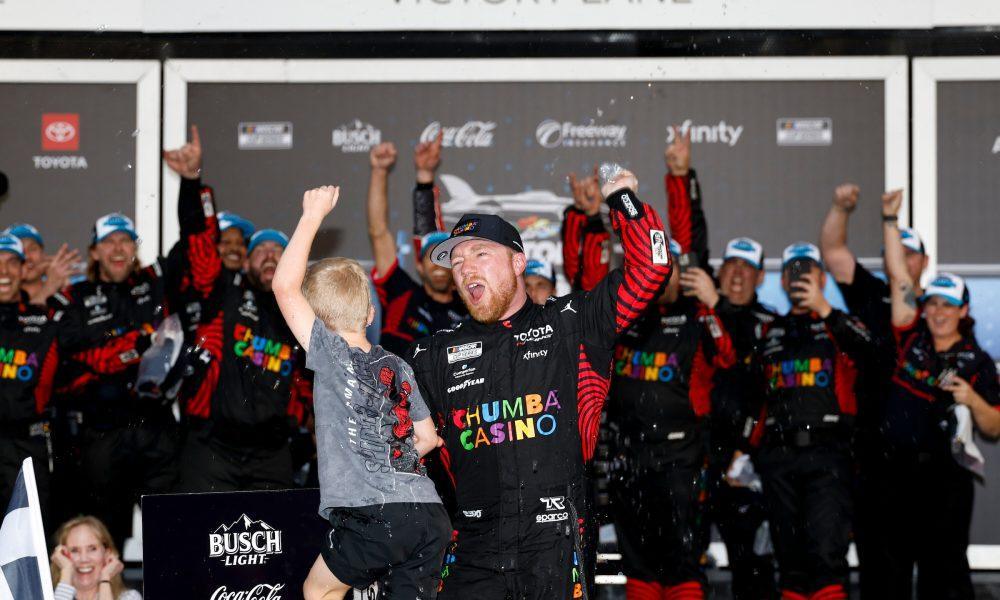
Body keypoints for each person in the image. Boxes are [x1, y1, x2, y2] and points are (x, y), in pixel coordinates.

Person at [408, 167, 672, 600]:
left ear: (517, 262)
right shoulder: (433, 353)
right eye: (456, 262)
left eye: (479, 254)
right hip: (473, 546)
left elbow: (652, 266)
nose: (464, 268)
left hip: (555, 543)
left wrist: (622, 197)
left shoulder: (572, 322)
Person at [274, 184, 450, 600]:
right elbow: (427, 439)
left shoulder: (330, 353)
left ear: (315, 320)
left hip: (376, 514)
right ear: (371, 314)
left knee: (318, 591)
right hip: (429, 513)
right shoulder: (399, 365)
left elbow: (284, 287)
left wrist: (312, 216)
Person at [872, 189, 1000, 599]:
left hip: (945, 478)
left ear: (963, 311)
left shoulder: (977, 362)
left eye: (948, 305)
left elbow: (994, 426)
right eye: (933, 304)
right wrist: (890, 221)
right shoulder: (911, 335)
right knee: (889, 572)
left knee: (942, 575)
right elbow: (900, 278)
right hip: (894, 473)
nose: (939, 312)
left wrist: (972, 399)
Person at [173, 146, 312, 493]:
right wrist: (192, 182)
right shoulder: (223, 292)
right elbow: (200, 243)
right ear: (245, 263)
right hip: (212, 446)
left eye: (278, 250)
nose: (269, 255)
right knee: (202, 538)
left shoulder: (305, 312)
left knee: (277, 541)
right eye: (260, 251)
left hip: (273, 450)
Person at [606, 235, 736, 600]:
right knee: (639, 564)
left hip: (682, 462)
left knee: (683, 563)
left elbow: (730, 359)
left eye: (669, 267)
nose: (661, 276)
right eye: (652, 268)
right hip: (628, 459)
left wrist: (714, 305)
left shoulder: (698, 316)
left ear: (681, 271)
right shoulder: (620, 316)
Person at [819, 183, 928, 598]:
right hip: (869, 450)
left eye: (909, 252)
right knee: (875, 562)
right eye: (893, 250)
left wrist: (888, 220)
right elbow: (832, 251)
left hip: (921, 455)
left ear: (925, 261)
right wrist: (840, 207)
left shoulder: (935, 308)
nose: (900, 259)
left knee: (930, 563)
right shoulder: (870, 293)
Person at [748, 242, 874, 600]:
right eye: (792, 271)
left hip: (828, 455)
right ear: (783, 281)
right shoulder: (769, 330)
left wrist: (825, 310)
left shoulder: (840, 323)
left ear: (821, 277)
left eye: (807, 270)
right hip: (779, 456)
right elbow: (754, 394)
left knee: (825, 558)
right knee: (789, 561)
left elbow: (873, 354)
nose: (799, 276)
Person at [50, 212, 178, 550]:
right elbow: (71, 360)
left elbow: (193, 249)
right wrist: (132, 346)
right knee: (105, 538)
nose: (118, 248)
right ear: (94, 252)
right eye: (109, 241)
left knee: (171, 536)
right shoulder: (74, 298)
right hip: (102, 432)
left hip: (156, 429)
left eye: (125, 240)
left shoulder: (155, 283)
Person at [705, 237, 778, 600]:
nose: (737, 273)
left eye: (747, 267)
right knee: (683, 564)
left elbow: (766, 392)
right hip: (698, 458)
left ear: (761, 276)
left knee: (752, 567)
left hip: (746, 464)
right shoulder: (701, 317)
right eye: (731, 264)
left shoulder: (771, 325)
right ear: (718, 272)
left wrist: (745, 449)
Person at [367, 135, 466, 357]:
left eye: (446, 258)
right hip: (393, 390)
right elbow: (378, 232)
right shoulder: (403, 293)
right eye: (432, 258)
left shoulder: (470, 309)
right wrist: (379, 171)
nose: (439, 266)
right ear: (419, 266)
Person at [161, 125, 255, 338]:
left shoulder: (252, 289)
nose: (234, 248)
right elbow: (194, 233)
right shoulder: (204, 280)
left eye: (240, 243)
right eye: (225, 241)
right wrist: (191, 181)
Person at [0, 233, 60, 527]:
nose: (4, 271)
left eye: (12, 262)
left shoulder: (45, 317)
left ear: (24, 270)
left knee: (32, 536)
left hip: (27, 444)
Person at [50, 515, 141, 600]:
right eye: (74, 550)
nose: (84, 559)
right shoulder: (46, 596)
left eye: (92, 549)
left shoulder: (129, 597)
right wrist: (66, 572)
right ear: (62, 556)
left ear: (107, 553)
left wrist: (105, 579)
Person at [4, 223, 80, 305]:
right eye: (20, 251)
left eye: (32, 249)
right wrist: (50, 287)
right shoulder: (3, 297)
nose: (27, 257)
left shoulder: (72, 283)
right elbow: (23, 316)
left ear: (43, 253)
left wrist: (66, 288)